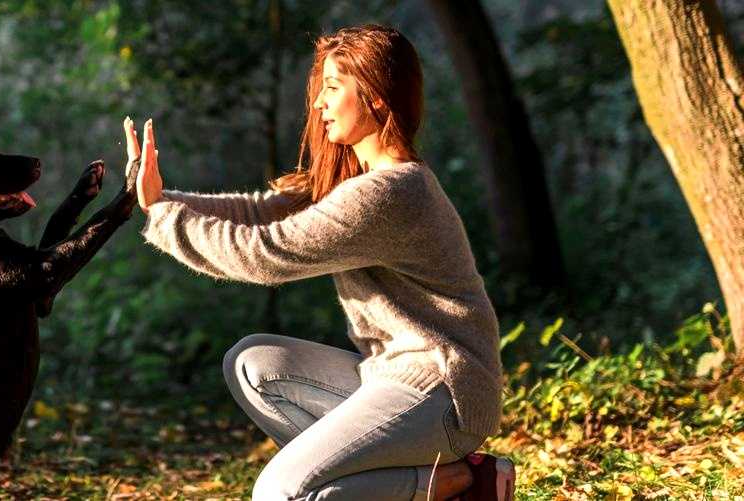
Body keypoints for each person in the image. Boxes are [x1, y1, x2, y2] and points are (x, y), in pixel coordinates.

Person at [122, 24, 515, 501]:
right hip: (389, 375)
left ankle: (456, 482)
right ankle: (418, 483)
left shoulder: (391, 194)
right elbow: (259, 212)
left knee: (279, 492)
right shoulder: (364, 180)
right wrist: (159, 200)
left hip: (444, 393)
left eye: (332, 88)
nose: (317, 104)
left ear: (374, 96)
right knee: (253, 365)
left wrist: (165, 217)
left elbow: (265, 253)